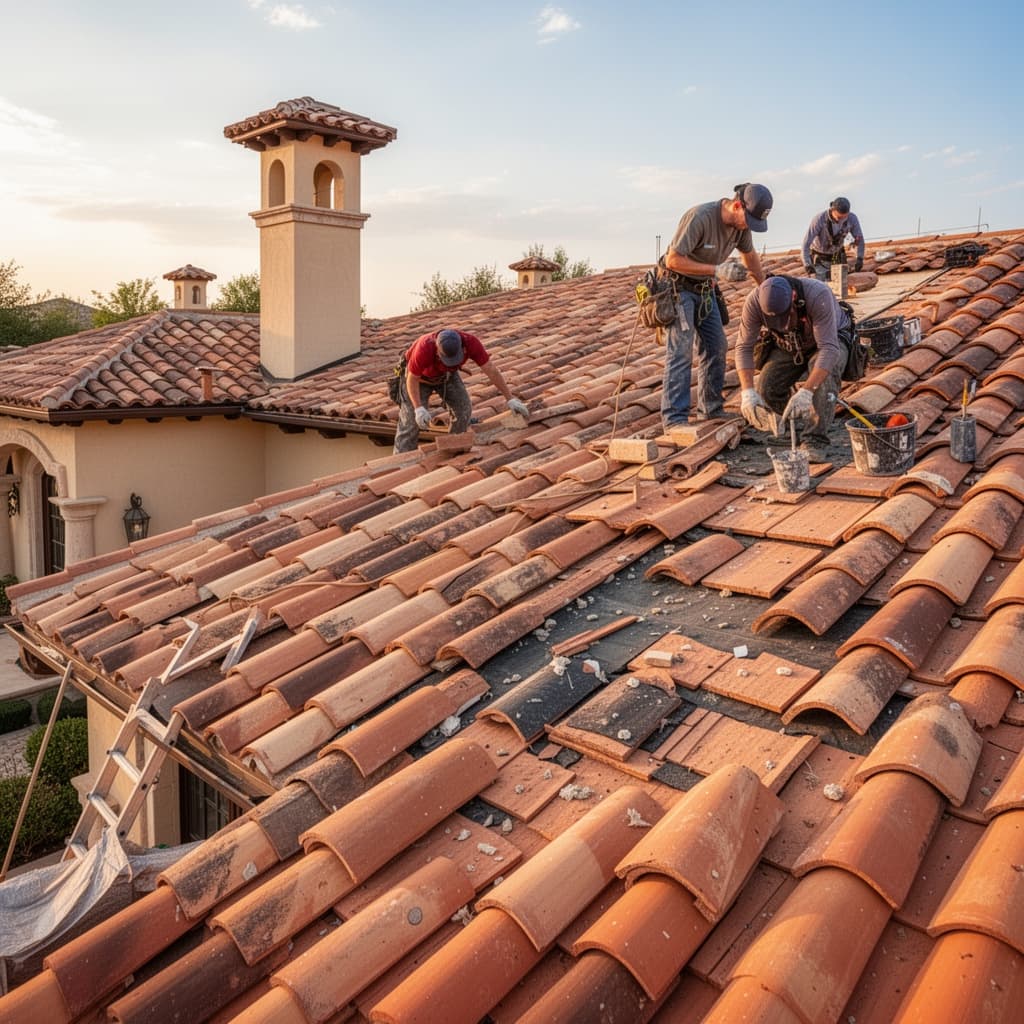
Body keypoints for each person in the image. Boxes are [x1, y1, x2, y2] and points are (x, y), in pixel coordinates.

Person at [660, 183, 772, 431]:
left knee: (717, 345)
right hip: (679, 288)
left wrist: (763, 287)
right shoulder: (700, 217)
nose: (748, 227)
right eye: (748, 220)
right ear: (736, 205)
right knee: (681, 348)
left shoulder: (741, 227)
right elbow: (673, 259)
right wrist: (717, 270)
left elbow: (750, 255)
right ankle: (674, 419)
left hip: (705, 290)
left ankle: (710, 409)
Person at [735, 275, 856, 462]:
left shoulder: (817, 294)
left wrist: (807, 391)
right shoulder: (753, 302)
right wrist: (747, 392)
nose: (782, 323)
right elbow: (743, 347)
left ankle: (815, 439)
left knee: (824, 375)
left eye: (786, 315)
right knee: (767, 387)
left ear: (793, 296)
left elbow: (829, 349)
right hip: (789, 344)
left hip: (830, 341)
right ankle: (796, 426)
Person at [393, 328, 529, 452]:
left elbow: (491, 371)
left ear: (462, 348)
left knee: (463, 409)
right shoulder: (424, 347)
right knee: (410, 422)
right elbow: (412, 379)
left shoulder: (471, 343)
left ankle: (453, 448)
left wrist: (510, 399)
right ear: (437, 350)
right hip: (419, 380)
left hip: (446, 375)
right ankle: (400, 461)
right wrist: (418, 409)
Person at [801, 197, 865, 281]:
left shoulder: (852, 218)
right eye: (839, 217)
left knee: (843, 285)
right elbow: (805, 244)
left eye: (844, 217)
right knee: (822, 286)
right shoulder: (819, 220)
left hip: (837, 255)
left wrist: (860, 258)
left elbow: (859, 239)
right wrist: (807, 265)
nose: (842, 220)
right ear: (832, 210)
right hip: (820, 257)